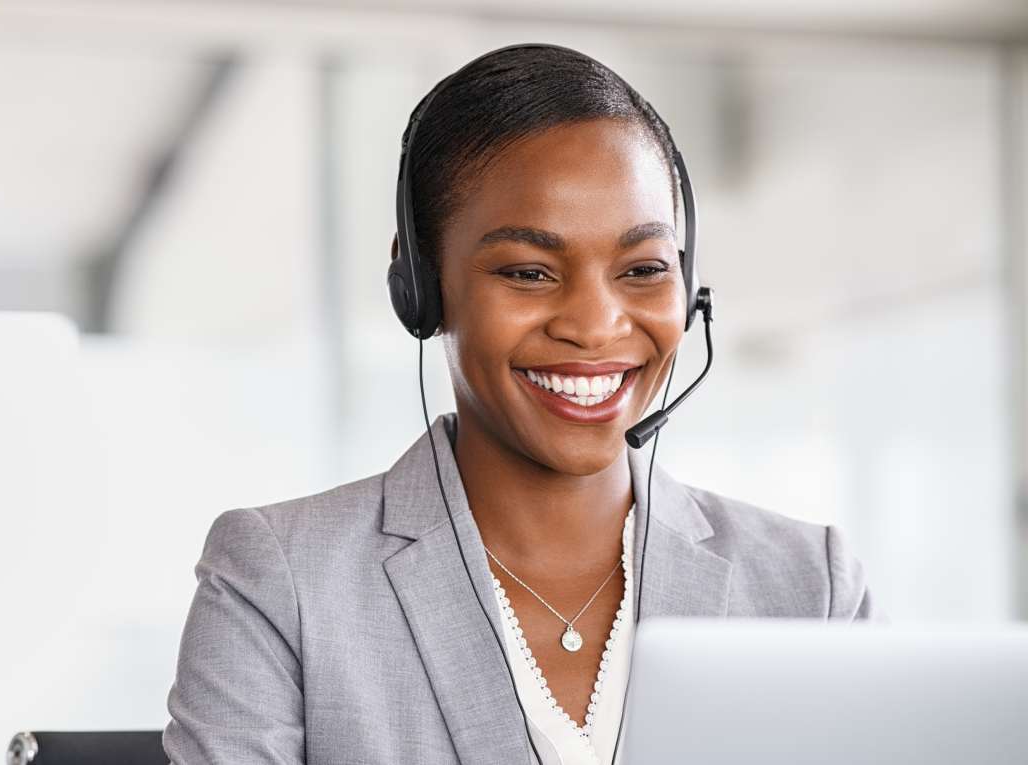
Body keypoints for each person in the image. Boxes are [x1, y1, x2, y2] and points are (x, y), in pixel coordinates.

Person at [162, 44, 875, 765]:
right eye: (530, 272)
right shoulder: (281, 583)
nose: (595, 326)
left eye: (644, 270)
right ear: (422, 288)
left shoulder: (807, 585)